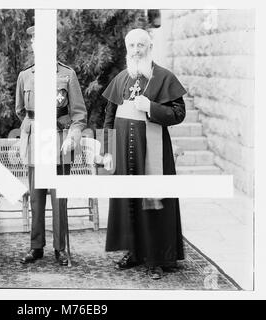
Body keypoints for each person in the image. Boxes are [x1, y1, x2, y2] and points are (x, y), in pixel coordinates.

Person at [102, 28, 186, 279]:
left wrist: (151, 107)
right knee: (129, 202)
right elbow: (107, 118)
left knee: (154, 204)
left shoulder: (163, 77)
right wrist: (107, 151)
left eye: (141, 45)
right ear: (126, 49)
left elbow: (179, 114)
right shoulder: (120, 79)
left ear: (150, 47)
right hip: (125, 154)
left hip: (153, 154)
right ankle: (134, 251)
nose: (136, 50)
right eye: (132, 46)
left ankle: (156, 258)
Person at [16, 26, 87, 266]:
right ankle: (36, 248)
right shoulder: (26, 75)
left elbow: (79, 115)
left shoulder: (67, 74)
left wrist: (72, 135)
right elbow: (21, 111)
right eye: (38, 42)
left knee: (59, 200)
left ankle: (60, 249)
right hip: (37, 144)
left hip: (59, 143)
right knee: (36, 199)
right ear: (34, 46)